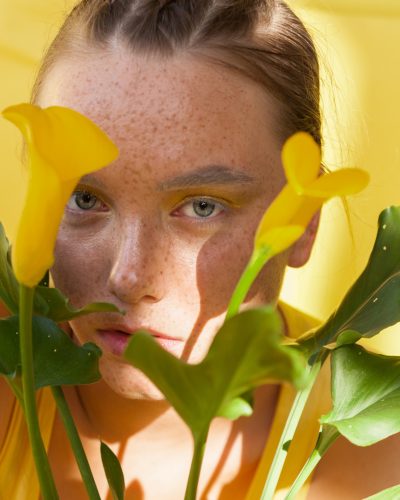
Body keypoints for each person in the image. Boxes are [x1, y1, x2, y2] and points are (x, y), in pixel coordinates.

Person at [0, 1, 399, 499]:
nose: (129, 276)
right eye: (86, 199)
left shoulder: (379, 450)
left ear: (304, 222)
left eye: (203, 207)